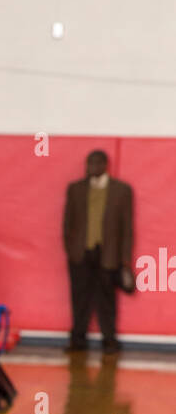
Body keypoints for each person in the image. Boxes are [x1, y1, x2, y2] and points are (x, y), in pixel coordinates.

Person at [62, 149, 134, 355]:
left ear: (104, 165)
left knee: (107, 300)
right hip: (80, 253)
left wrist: (125, 260)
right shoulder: (75, 189)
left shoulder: (121, 190)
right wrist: (71, 250)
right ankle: (78, 339)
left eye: (94, 164)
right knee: (79, 298)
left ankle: (109, 340)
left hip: (108, 253)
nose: (90, 168)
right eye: (88, 163)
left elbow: (126, 228)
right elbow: (67, 224)